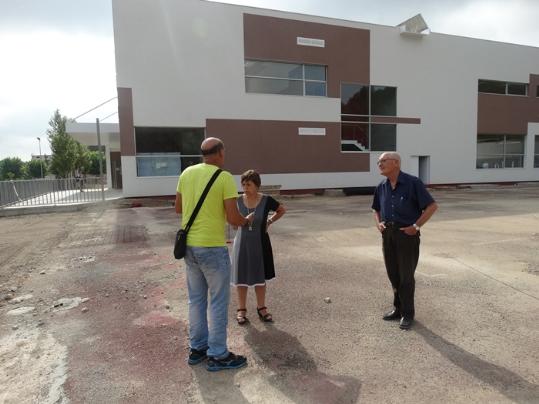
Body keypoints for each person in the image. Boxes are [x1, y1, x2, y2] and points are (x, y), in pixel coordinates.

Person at [175, 137, 254, 371]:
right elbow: (232, 218)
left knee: (196, 299)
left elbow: (178, 207)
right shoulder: (224, 177)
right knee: (218, 301)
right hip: (212, 247)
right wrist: (246, 221)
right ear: (220, 153)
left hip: (189, 247)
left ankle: (197, 348)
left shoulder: (186, 173)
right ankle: (218, 354)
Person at [371, 152, 438, 330]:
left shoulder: (412, 183)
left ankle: (408, 314)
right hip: (388, 235)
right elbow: (375, 209)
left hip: (406, 235)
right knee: (393, 273)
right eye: (378, 162)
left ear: (396, 163)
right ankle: (398, 309)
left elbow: (432, 206)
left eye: (383, 161)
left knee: (406, 276)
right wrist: (379, 224)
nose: (379, 164)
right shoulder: (382, 186)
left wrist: (415, 227)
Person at [231, 170, 286, 325]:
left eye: (248, 184)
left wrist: (269, 221)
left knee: (260, 278)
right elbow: (233, 223)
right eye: (243, 184)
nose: (245, 187)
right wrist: (240, 222)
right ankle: (241, 310)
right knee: (241, 277)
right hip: (242, 244)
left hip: (260, 244)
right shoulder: (237, 201)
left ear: (257, 185)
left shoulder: (266, 200)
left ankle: (261, 308)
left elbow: (281, 209)